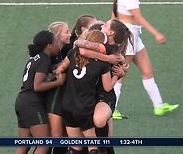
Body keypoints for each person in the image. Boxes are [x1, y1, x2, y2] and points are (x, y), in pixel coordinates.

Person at [112, 0, 179, 116]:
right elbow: (138, 17)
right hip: (128, 35)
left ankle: (159, 106)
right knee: (121, 73)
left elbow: (115, 14)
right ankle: (111, 108)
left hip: (133, 36)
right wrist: (156, 33)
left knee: (147, 71)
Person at [57, 30, 120, 154]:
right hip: (85, 107)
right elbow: (107, 87)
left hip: (68, 106)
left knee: (75, 147)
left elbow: (61, 68)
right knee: (93, 148)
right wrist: (118, 76)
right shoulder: (103, 63)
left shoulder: (73, 53)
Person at [74, 19, 131, 154]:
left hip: (103, 96)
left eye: (106, 24)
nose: (102, 25)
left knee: (98, 126)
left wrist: (115, 66)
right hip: (90, 94)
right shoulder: (108, 49)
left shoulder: (107, 49)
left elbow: (81, 47)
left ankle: (102, 149)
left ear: (110, 32)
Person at [14, 30, 66, 154]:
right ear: (49, 45)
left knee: (24, 145)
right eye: (55, 42)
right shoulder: (44, 59)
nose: (58, 45)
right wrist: (58, 83)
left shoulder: (34, 59)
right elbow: (37, 86)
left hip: (21, 101)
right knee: (45, 143)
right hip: (32, 104)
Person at [46, 22, 71, 154]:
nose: (70, 34)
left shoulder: (60, 52)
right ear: (57, 36)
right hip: (52, 101)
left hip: (60, 100)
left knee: (62, 138)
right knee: (54, 139)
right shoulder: (48, 56)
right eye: (66, 32)